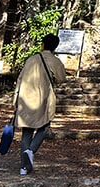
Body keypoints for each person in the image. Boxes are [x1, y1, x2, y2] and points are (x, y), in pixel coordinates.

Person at [13, 33, 67, 175]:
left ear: (42, 44)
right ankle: (30, 151)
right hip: (44, 100)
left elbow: (20, 79)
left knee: (27, 132)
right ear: (55, 47)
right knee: (44, 127)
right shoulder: (55, 61)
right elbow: (61, 79)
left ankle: (24, 167)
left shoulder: (31, 59)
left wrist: (15, 100)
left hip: (26, 100)